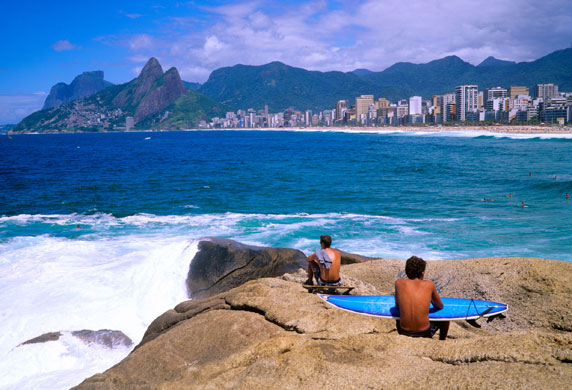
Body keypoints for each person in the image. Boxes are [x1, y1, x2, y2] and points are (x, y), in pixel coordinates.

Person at [394, 256, 449, 340]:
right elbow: (440, 306)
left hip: (403, 330)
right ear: (422, 273)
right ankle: (442, 341)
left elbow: (398, 306)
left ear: (406, 271)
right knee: (445, 320)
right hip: (424, 332)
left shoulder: (398, 283)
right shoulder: (429, 284)